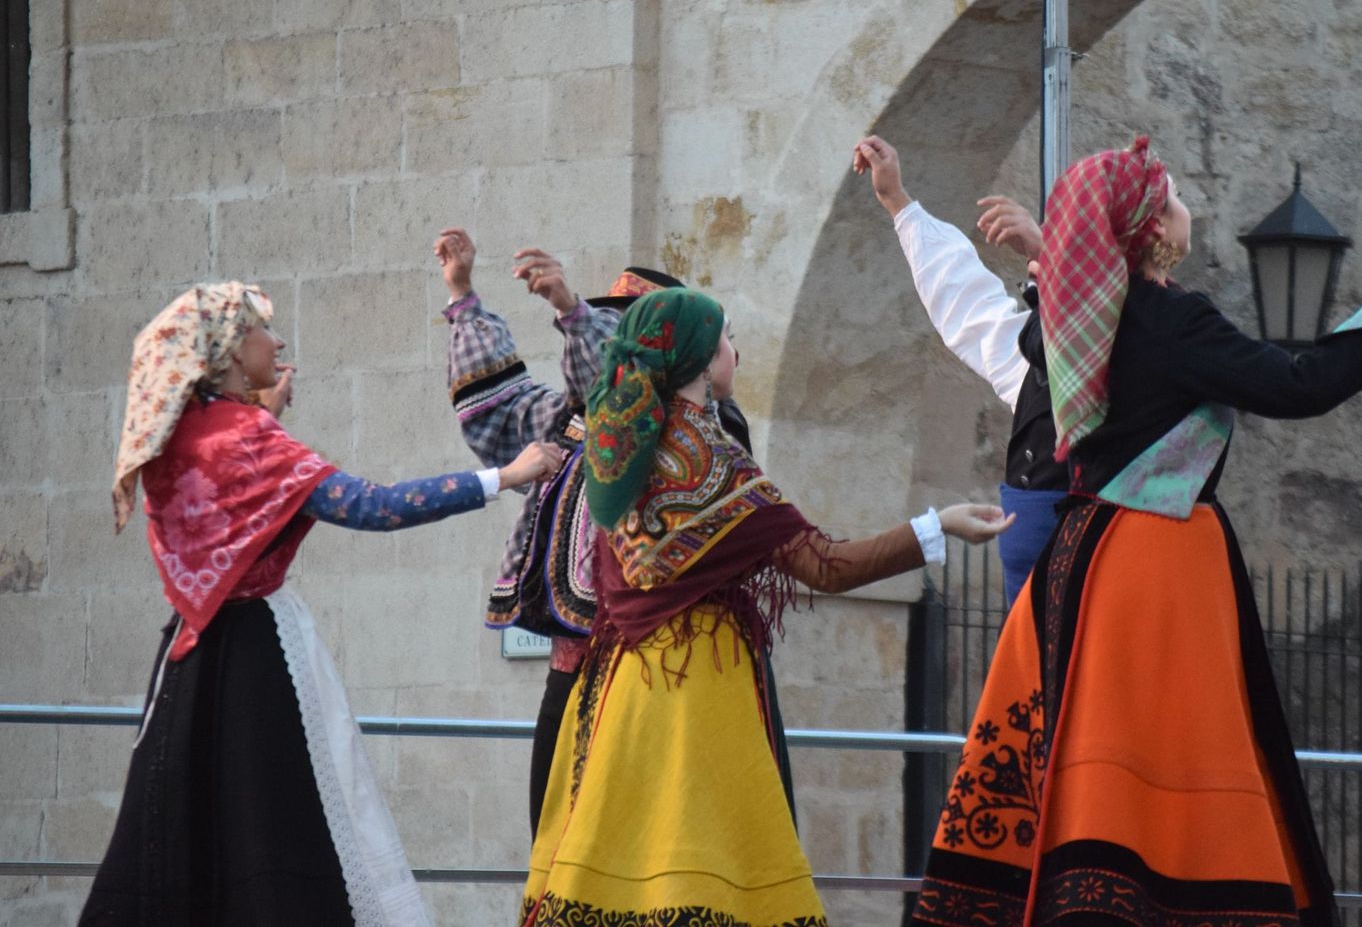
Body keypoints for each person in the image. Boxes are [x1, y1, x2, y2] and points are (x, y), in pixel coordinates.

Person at [911, 138, 1362, 926]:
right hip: (1159, 563)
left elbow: (1056, 309)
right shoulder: (1173, 322)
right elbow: (1296, 385)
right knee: (1177, 743)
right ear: (1152, 227)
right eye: (1176, 196)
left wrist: (1048, 252)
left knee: (1087, 746)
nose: (1187, 206)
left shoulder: (1067, 319)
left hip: (1079, 560)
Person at [517, 287, 1014, 926]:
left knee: (624, 870)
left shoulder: (623, 454)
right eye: (726, 339)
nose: (736, 351)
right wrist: (936, 525)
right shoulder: (716, 464)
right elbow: (827, 566)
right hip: (698, 696)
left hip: (619, 694)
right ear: (702, 362)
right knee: (705, 870)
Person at [84, 283, 562, 927]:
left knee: (190, 829)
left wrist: (262, 416)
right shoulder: (246, 437)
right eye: (261, 330)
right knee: (279, 825)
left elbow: (232, 504)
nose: (276, 341)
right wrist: (503, 476)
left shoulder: (182, 430)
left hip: (189, 658)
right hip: (256, 658)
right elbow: (373, 506)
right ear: (231, 350)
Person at [434, 230, 766, 839]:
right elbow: (497, 408)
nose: (734, 354)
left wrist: (570, 309)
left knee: (645, 841)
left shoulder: (705, 432)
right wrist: (463, 299)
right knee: (559, 835)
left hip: (661, 677)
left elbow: (624, 402)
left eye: (627, 334)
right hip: (573, 669)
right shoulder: (570, 421)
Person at [853, 136, 1056, 607]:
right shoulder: (1036, 361)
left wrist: (1051, 253)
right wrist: (897, 201)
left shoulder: (1149, 339)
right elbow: (971, 307)